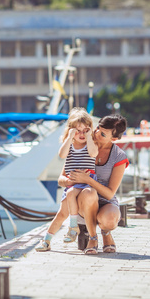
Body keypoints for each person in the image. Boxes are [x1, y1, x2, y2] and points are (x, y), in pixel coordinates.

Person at [63, 113, 129, 254]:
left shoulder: (119, 156)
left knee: (110, 219)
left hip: (105, 201)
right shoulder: (81, 143)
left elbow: (110, 193)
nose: (97, 133)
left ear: (114, 139)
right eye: (98, 128)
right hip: (82, 201)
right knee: (89, 192)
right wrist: (71, 180)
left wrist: (88, 180)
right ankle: (93, 237)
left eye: (103, 134)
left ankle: (106, 233)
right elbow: (60, 179)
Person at [35, 107, 98, 252]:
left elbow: (94, 153)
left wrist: (89, 137)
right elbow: (61, 155)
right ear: (71, 131)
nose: (81, 133)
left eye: (85, 130)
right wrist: (69, 137)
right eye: (78, 130)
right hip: (72, 183)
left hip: (85, 183)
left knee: (70, 195)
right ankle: (47, 240)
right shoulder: (69, 145)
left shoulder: (90, 144)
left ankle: (73, 226)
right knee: (61, 213)